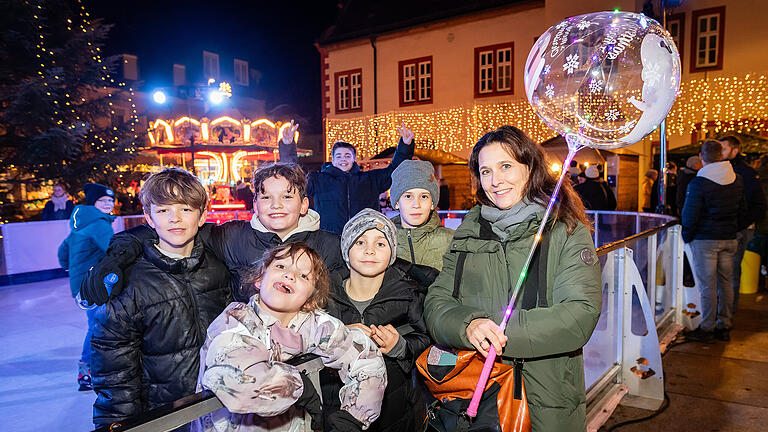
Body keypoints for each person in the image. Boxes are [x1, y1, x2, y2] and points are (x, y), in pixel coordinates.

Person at [423, 126, 602, 431]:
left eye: (506, 166)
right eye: (486, 171)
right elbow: (437, 303)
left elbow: (579, 314)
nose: (496, 181)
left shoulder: (564, 229)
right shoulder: (469, 231)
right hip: (480, 391)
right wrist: (469, 325)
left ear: (529, 168)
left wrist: (499, 334)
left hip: (546, 394)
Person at [80, 163, 343, 305]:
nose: (276, 205)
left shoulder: (330, 245)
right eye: (266, 197)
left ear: (304, 204)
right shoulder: (232, 236)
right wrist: (116, 258)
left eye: (287, 196)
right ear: (254, 204)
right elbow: (174, 230)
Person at [89, 168, 231, 427]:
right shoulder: (129, 281)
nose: (175, 219)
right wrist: (119, 423)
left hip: (222, 405)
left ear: (202, 216)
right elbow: (115, 370)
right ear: (149, 218)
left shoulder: (219, 266)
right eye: (163, 210)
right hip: (165, 414)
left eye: (185, 209)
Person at [195, 242, 387, 432]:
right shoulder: (235, 320)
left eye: (304, 275)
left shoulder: (314, 325)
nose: (290, 275)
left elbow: (366, 358)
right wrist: (300, 386)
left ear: (311, 300)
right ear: (260, 279)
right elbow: (241, 382)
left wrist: (352, 417)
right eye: (280, 266)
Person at [323, 209, 431, 432]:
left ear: (392, 252)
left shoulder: (409, 294)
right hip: (336, 413)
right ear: (346, 250)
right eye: (360, 242)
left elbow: (427, 339)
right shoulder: (324, 296)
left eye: (380, 244)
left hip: (394, 413)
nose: (370, 250)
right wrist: (338, 337)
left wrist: (401, 346)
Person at [279, 121, 415, 234]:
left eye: (347, 156)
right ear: (332, 159)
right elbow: (295, 175)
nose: (343, 160)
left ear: (354, 159)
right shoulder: (318, 179)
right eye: (338, 156)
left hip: (363, 237)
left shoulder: (370, 180)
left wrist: (405, 146)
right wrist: (287, 146)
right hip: (330, 239)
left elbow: (395, 171)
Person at [681, 140, 749, 343]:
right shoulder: (736, 179)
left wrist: (687, 235)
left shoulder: (699, 182)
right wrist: (732, 229)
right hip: (729, 238)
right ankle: (724, 325)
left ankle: (707, 327)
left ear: (702, 157)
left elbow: (689, 215)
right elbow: (743, 211)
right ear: (722, 155)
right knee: (726, 283)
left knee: (707, 286)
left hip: (705, 240)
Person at [57, 183, 116, 391]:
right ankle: (87, 370)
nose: (108, 204)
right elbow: (113, 250)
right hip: (94, 284)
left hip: (81, 284)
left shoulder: (80, 223)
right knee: (97, 326)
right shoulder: (99, 223)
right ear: (93, 203)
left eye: (111, 200)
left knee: (98, 323)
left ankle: (95, 366)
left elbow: (62, 251)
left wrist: (71, 269)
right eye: (103, 200)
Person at [719, 135, 767, 309]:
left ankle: (729, 312)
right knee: (723, 272)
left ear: (734, 150)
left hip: (739, 228)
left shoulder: (745, 172)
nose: (721, 152)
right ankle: (723, 311)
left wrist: (740, 223)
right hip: (725, 229)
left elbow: (759, 204)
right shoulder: (720, 168)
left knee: (732, 271)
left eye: (724, 148)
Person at [389, 160, 454, 271]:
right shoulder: (384, 242)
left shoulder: (451, 241)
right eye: (408, 196)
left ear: (432, 203)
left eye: (424, 197)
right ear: (396, 203)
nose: (416, 205)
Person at [676, 155, 704, 287]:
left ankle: (687, 274)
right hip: (689, 218)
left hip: (684, 216)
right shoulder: (693, 180)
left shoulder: (683, 177)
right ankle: (689, 275)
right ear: (696, 166)